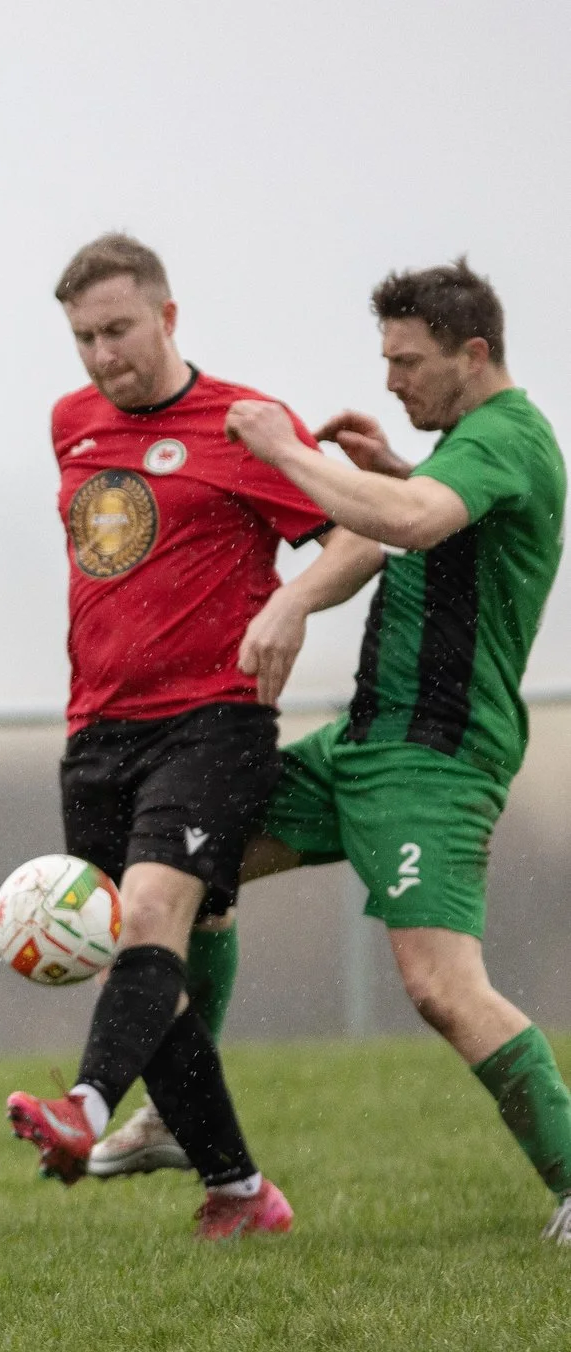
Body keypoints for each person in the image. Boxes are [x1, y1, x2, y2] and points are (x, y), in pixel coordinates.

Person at [1, 235, 346, 1238]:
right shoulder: (70, 423)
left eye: (117, 329)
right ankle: (239, 1193)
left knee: (147, 911)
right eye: (82, 338)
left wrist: (289, 609)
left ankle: (85, 1109)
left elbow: (357, 535)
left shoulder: (247, 423)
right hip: (96, 729)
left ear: (167, 316)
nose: (102, 356)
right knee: (138, 968)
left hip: (212, 719)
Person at [221, 258, 571, 1243]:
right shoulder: (464, 446)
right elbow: (406, 522)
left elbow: (411, 525)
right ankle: (182, 1108)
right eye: (384, 358)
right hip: (363, 742)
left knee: (440, 987)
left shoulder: (509, 435)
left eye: (406, 360)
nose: (388, 379)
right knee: (193, 869)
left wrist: (286, 452)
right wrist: (388, 481)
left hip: (435, 757)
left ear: (473, 352)